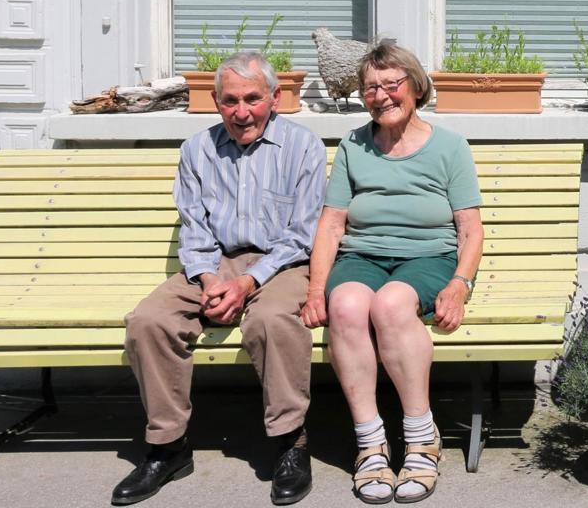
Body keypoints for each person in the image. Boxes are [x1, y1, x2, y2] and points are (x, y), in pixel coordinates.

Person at [112, 52, 326, 506]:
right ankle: (167, 447)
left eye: (252, 99)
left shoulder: (303, 146)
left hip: (282, 264)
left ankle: (290, 441)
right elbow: (195, 228)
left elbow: (302, 234)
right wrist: (210, 280)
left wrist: (247, 284)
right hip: (214, 262)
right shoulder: (197, 149)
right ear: (215, 101)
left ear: (275, 98)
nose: (241, 112)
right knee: (148, 321)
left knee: (270, 321)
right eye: (230, 101)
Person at [301, 41, 484, 504]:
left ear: (415, 86)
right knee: (346, 305)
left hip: (428, 257)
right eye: (370, 88)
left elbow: (470, 228)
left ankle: (421, 438)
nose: (380, 96)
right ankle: (370, 444)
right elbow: (332, 224)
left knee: (391, 304)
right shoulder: (353, 145)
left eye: (390, 84)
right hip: (362, 256)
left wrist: (459, 285)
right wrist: (317, 290)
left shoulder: (449, 146)